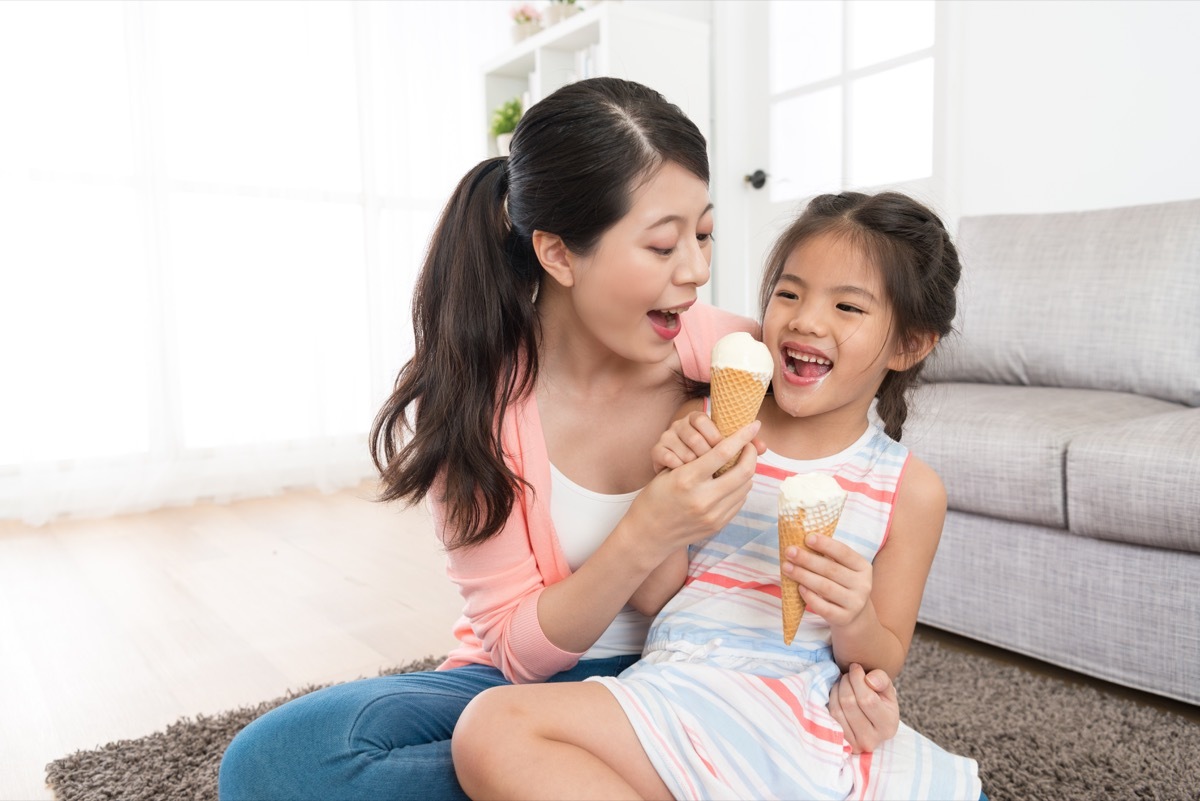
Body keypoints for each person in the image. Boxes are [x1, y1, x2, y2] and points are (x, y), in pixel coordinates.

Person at [218, 78, 900, 801]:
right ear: (559, 254)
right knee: (275, 764)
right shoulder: (474, 407)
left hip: (699, 680)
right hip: (518, 683)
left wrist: (862, 684)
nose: (697, 271)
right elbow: (516, 651)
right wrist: (647, 530)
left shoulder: (735, 356)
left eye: (703, 235)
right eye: (664, 244)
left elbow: (850, 471)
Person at [452, 191, 984, 801]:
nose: (807, 319)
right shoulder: (708, 421)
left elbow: (882, 658)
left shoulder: (909, 489)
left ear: (910, 345)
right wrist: (668, 498)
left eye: (846, 306)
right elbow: (657, 597)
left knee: (491, 729)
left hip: (789, 701)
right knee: (490, 727)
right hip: (676, 679)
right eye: (789, 293)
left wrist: (853, 613)